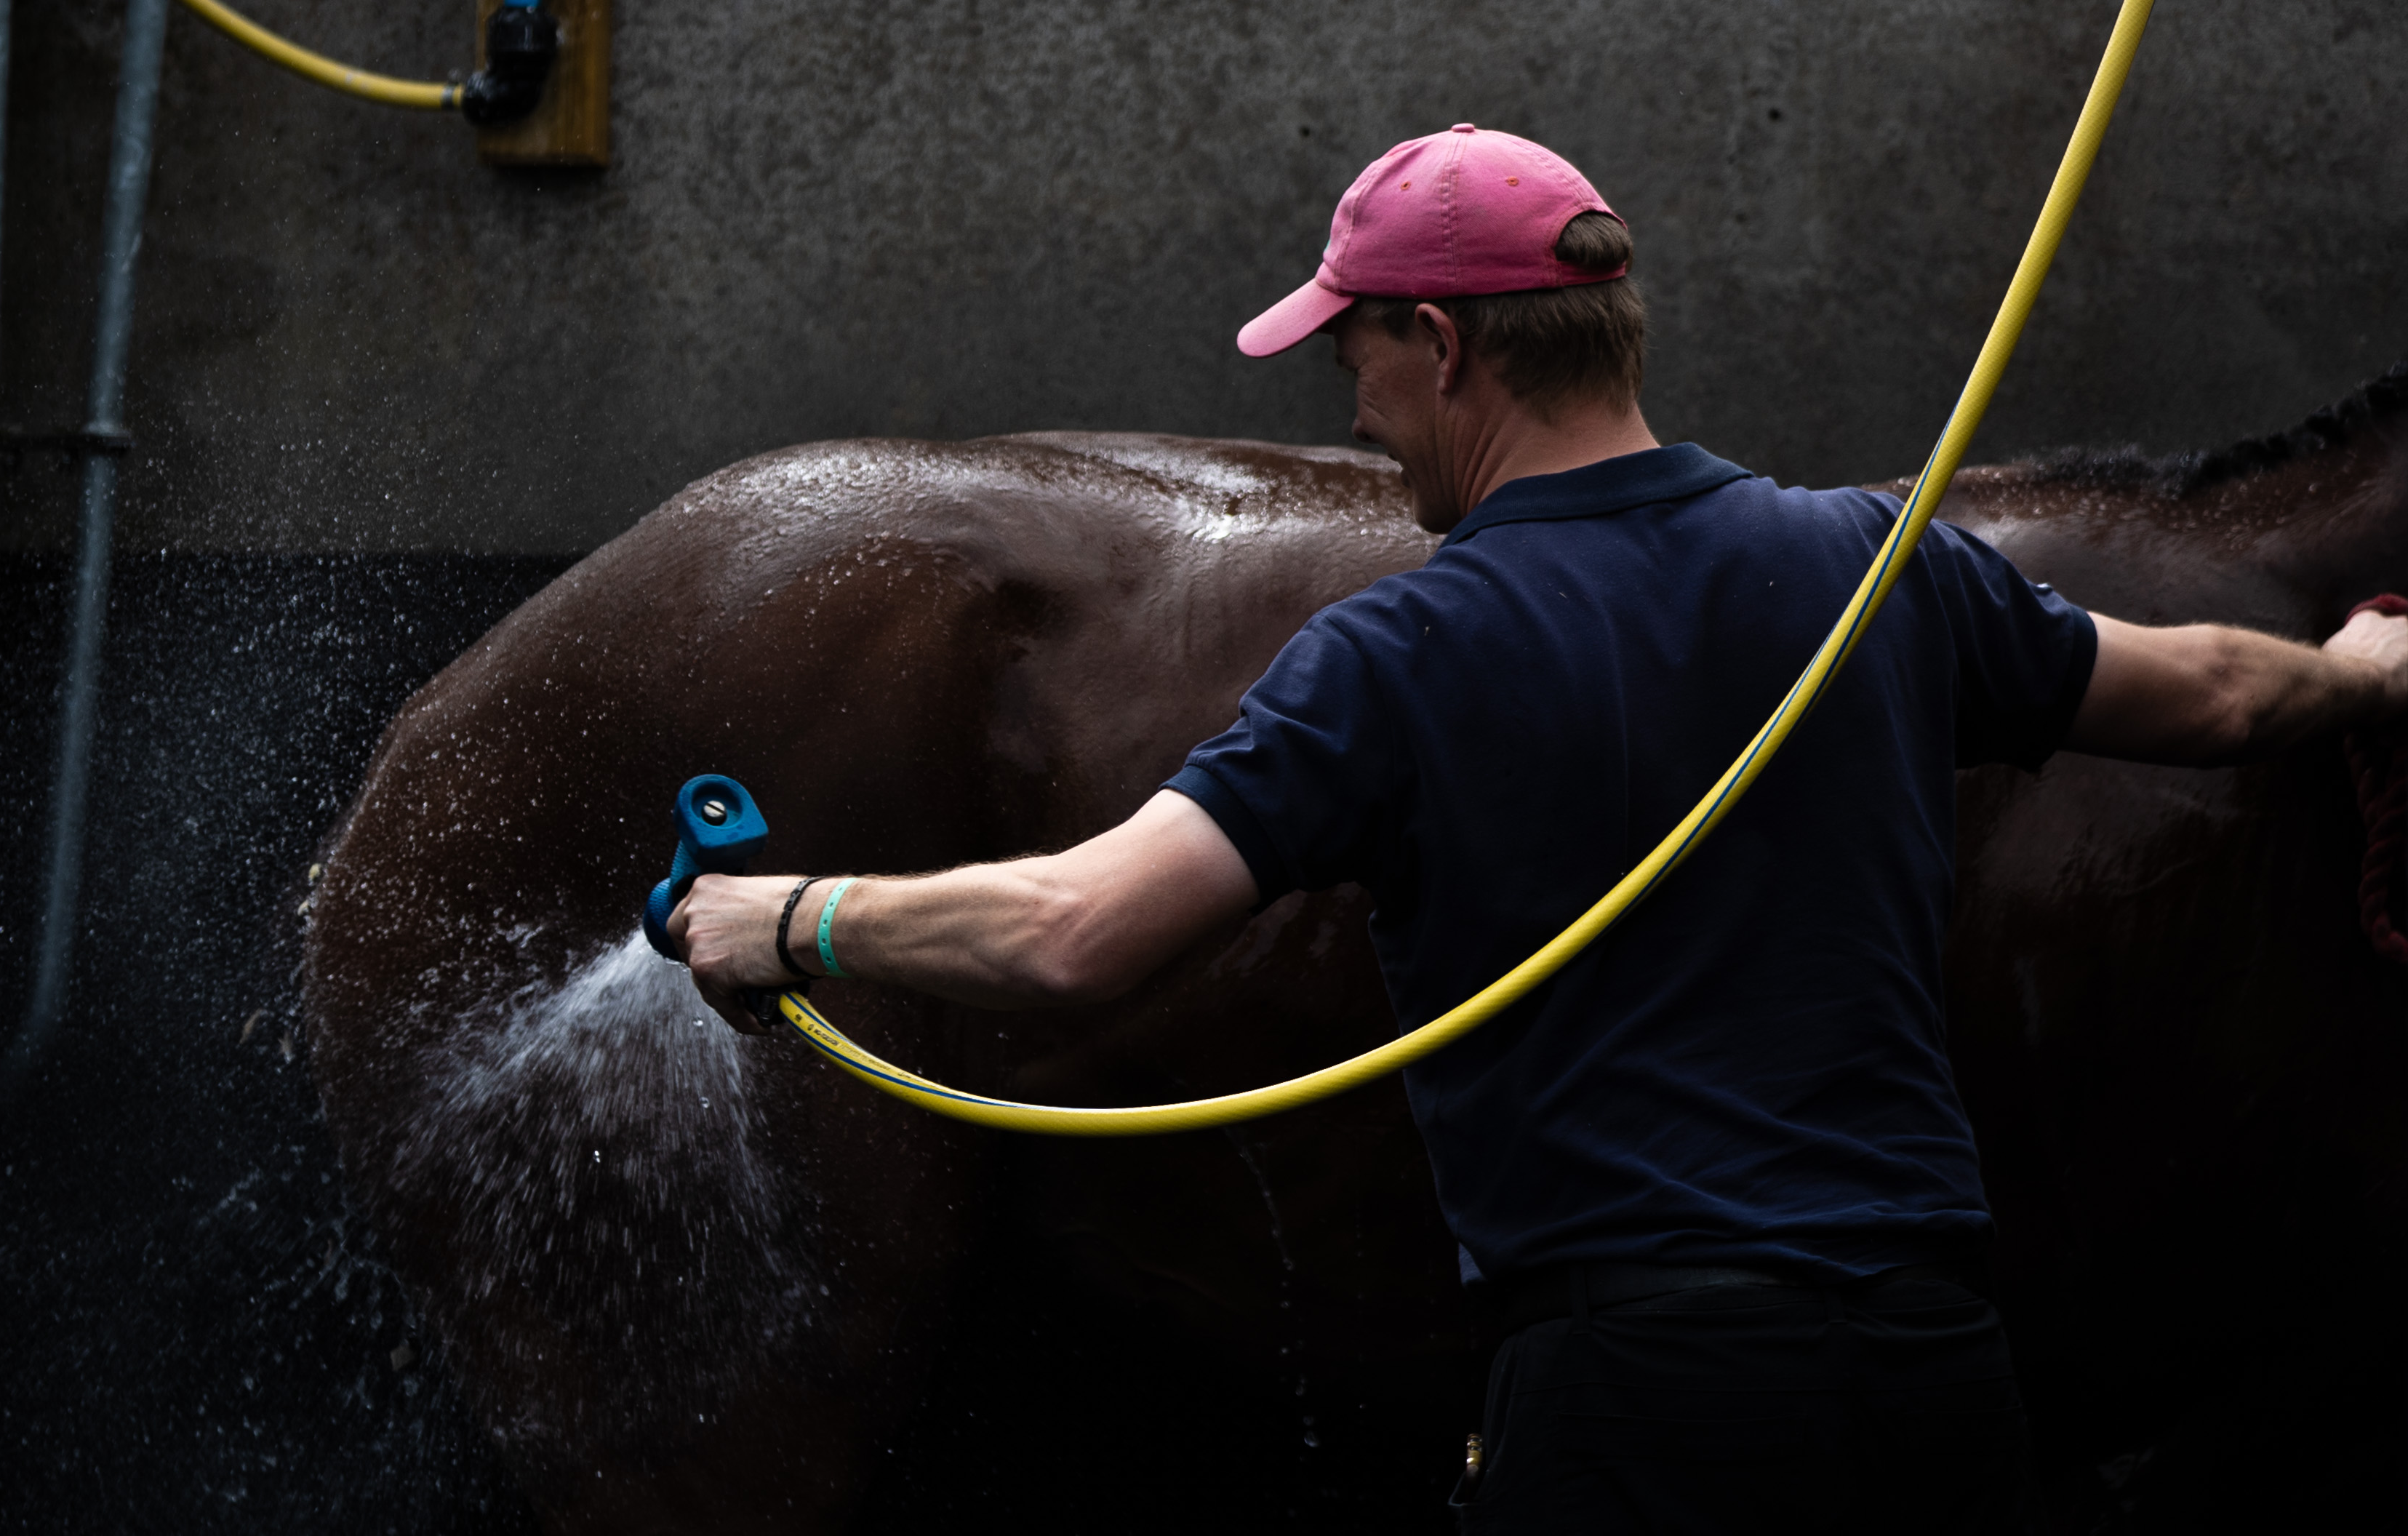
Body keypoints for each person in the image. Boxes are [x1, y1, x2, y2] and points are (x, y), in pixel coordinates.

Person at [671, 126, 2408, 1531]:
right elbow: (2218, 696)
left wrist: (794, 923)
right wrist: (2360, 672)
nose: (1346, 406)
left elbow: (1076, 933)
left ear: (1442, 344)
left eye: (1352, 350)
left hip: (1640, 1399)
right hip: (1932, 1377)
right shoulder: (1874, 567)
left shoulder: (1401, 652)